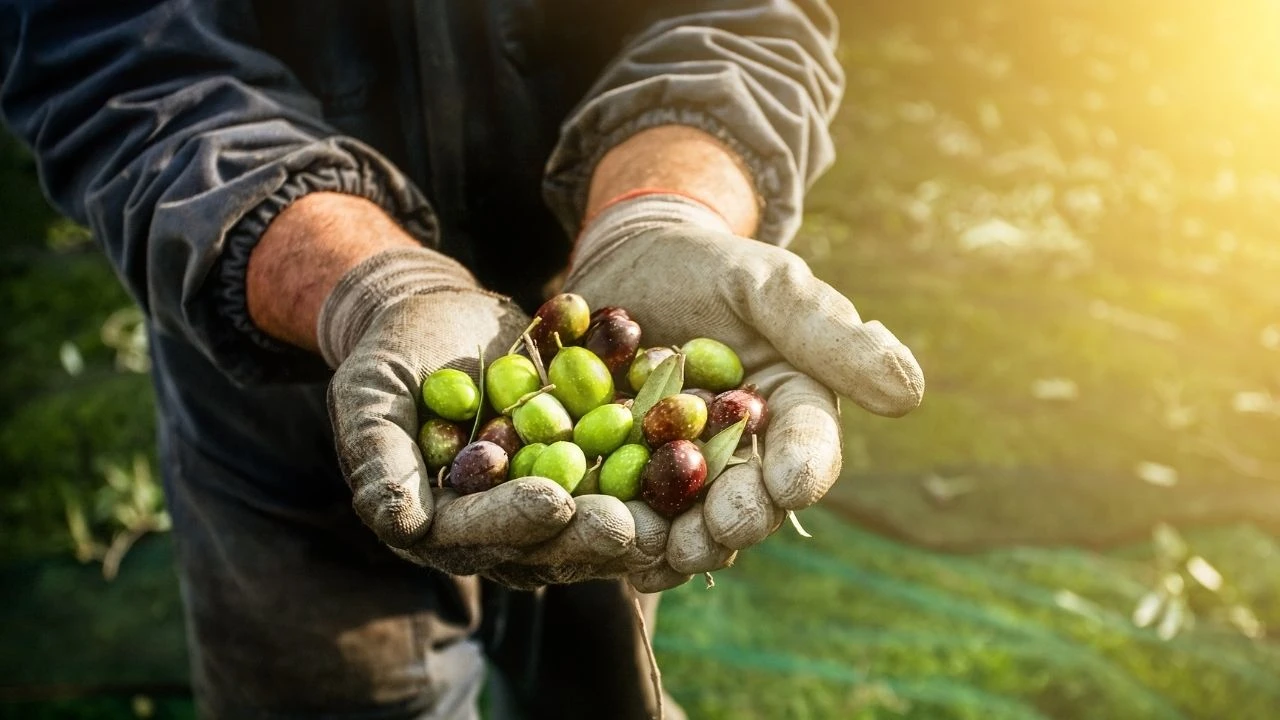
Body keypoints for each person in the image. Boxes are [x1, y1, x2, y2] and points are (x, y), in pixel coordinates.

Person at [0, 1, 923, 717]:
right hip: (277, 367)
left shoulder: (620, 408)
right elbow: (121, 63)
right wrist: (371, 287)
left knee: (608, 681)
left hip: (610, 288)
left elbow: (738, 21)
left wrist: (661, 208)